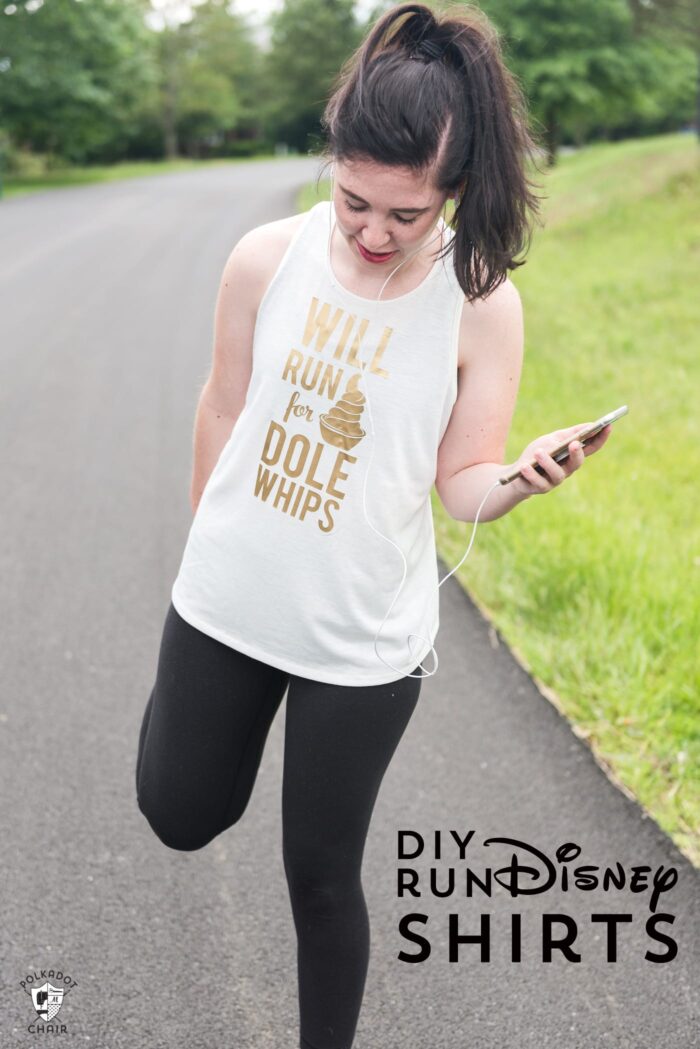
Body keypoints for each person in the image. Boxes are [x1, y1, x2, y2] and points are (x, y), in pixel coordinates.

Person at [135, 3, 612, 1047]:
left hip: (362, 639)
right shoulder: (266, 256)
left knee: (321, 874)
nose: (373, 231)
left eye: (407, 213)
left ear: (457, 189)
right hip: (225, 599)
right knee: (178, 811)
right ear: (333, 160)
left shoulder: (480, 304)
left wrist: (523, 478)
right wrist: (207, 540)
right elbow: (222, 403)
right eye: (354, 200)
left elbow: (462, 484)